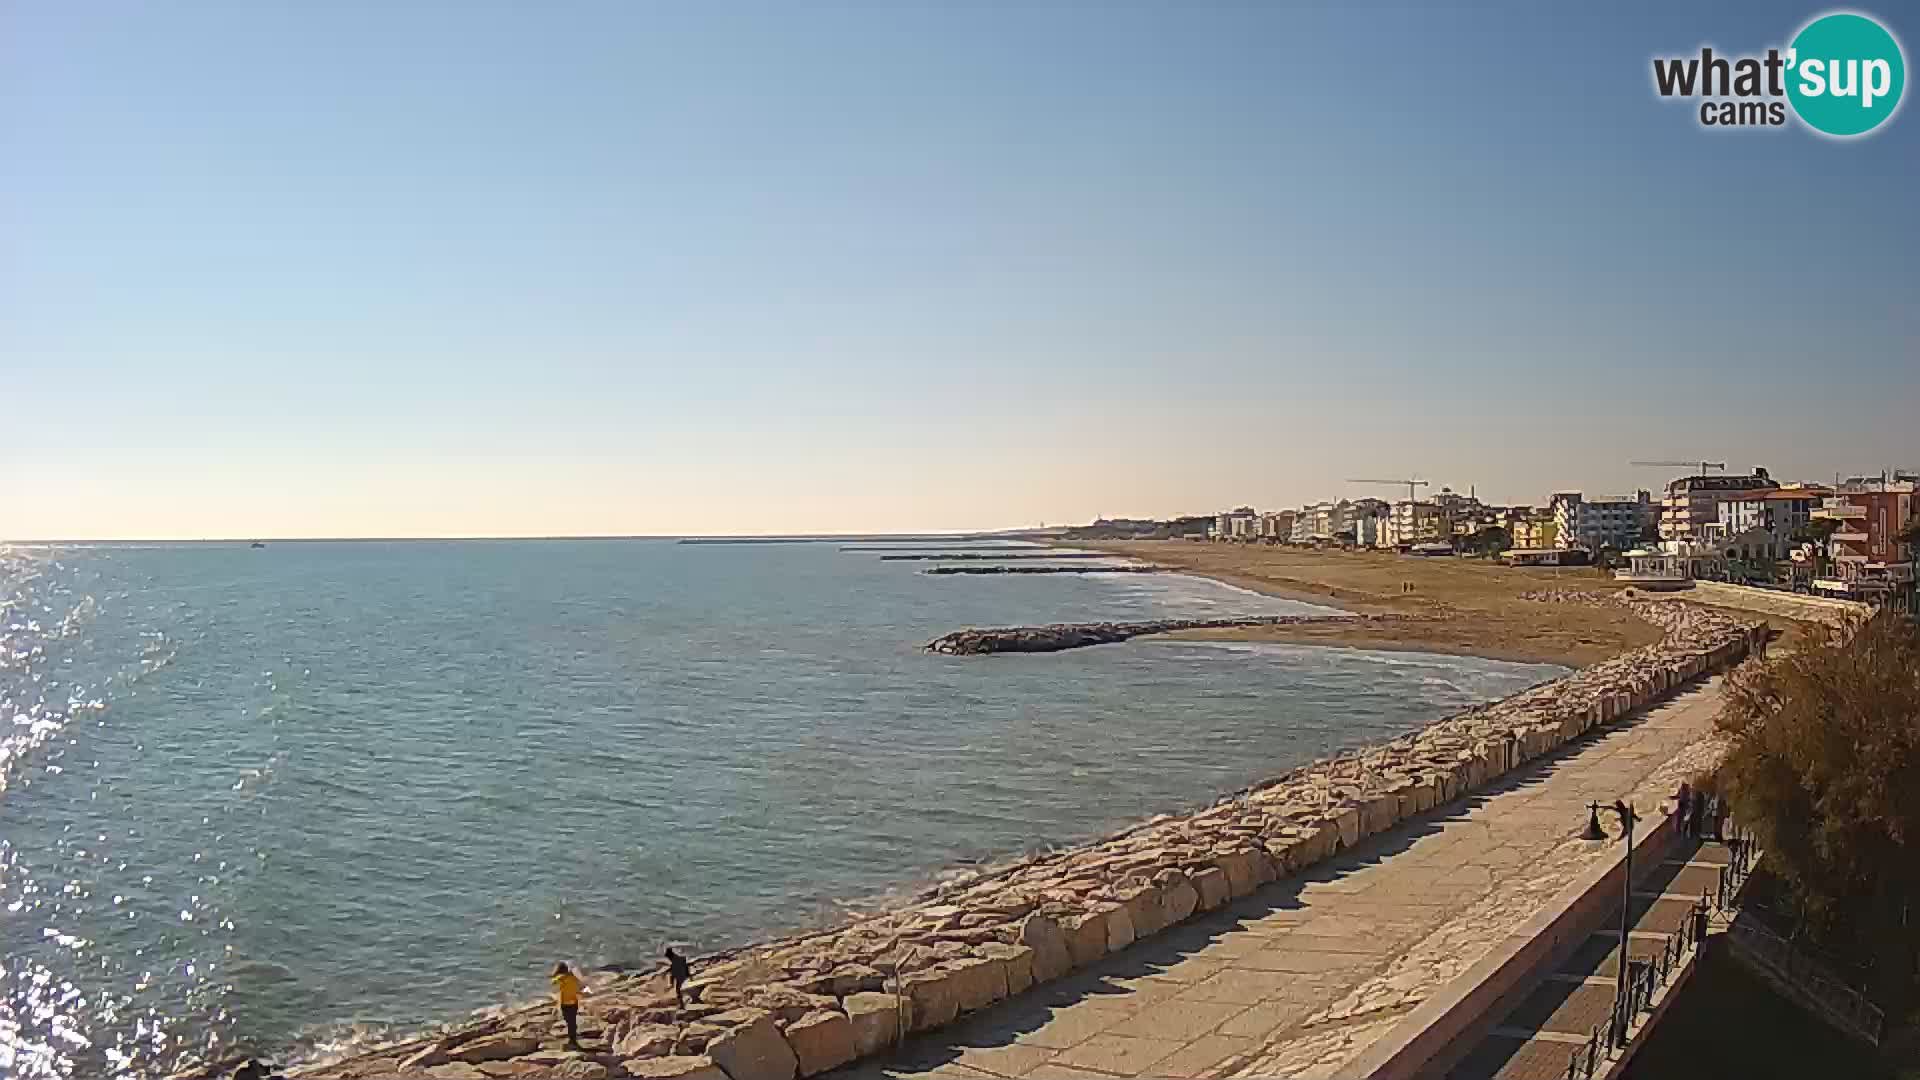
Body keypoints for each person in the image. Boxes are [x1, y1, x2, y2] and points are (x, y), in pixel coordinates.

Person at [551, 961, 584, 1049]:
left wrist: (554, 975)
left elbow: (553, 982)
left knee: (569, 1022)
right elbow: (579, 984)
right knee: (572, 1022)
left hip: (565, 1003)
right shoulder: (572, 977)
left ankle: (572, 1041)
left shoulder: (561, 978)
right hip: (574, 1002)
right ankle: (573, 1040)